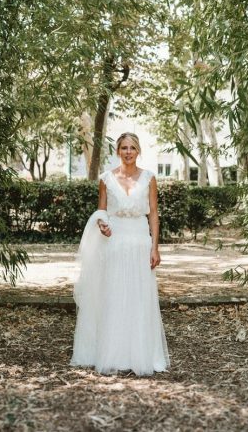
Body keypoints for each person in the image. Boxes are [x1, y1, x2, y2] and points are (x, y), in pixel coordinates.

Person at [70, 132, 170, 375]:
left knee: (138, 296)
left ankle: (141, 353)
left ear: (138, 151)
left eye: (132, 148)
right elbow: (101, 211)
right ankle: (113, 352)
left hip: (139, 242)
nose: (128, 152)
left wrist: (155, 246)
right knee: (114, 295)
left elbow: (154, 214)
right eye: (124, 147)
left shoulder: (149, 178)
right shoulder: (106, 178)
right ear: (118, 151)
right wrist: (102, 225)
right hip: (114, 243)